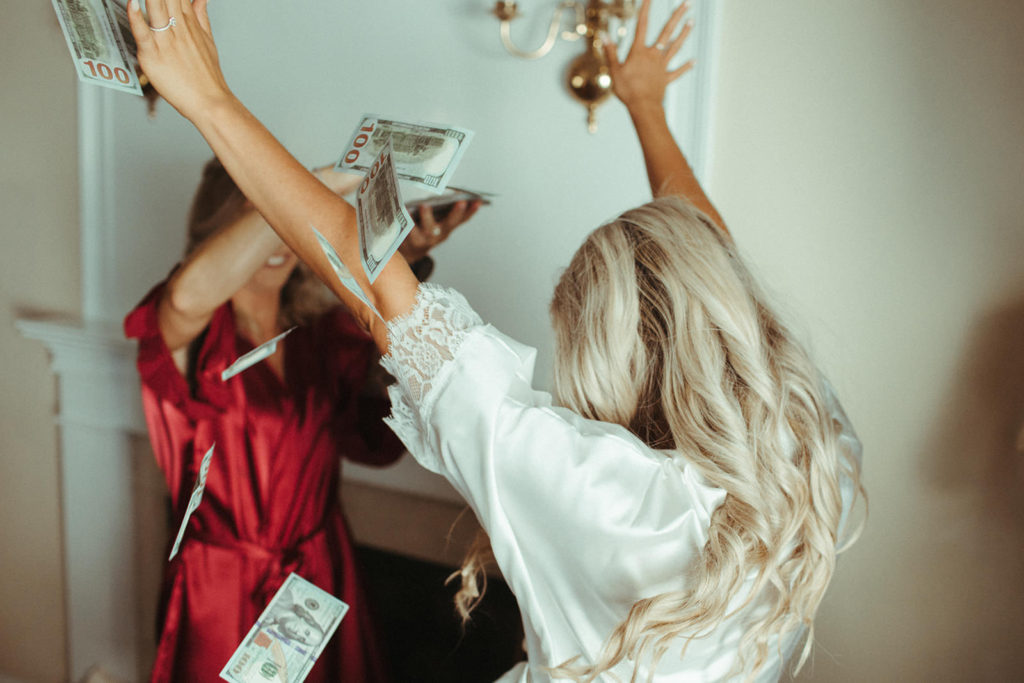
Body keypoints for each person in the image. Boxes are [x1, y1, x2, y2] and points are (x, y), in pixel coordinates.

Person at [127, 0, 866, 680]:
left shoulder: (612, 497)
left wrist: (209, 98)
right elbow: (717, 270)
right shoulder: (809, 436)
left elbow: (381, 291)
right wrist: (647, 109)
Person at [124, 153, 479, 680]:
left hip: (318, 574)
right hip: (220, 587)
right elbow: (186, 295)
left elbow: (372, 438)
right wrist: (305, 188)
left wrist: (405, 256)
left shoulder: (319, 337)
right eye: (258, 214)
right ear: (221, 230)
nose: (276, 233)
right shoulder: (193, 335)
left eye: (281, 213)